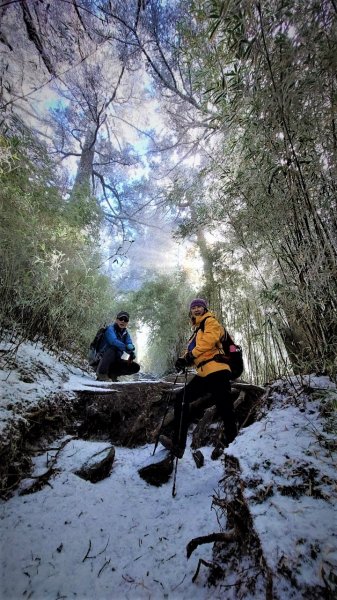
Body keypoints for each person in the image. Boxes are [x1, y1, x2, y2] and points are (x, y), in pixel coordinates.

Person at [159, 299, 237, 458]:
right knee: (182, 398)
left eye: (199, 306)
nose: (196, 309)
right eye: (193, 307)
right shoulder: (196, 331)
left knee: (225, 408)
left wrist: (190, 355)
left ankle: (235, 447)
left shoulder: (211, 321)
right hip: (203, 373)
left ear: (204, 308)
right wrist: (182, 361)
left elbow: (209, 342)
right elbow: (193, 352)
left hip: (217, 370)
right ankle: (178, 444)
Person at [95, 311, 140, 382]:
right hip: (101, 360)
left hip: (115, 360)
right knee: (113, 349)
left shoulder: (126, 334)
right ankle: (101, 374)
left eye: (125, 320)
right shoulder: (110, 329)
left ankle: (112, 375)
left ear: (127, 323)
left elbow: (129, 343)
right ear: (116, 320)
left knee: (135, 367)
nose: (123, 321)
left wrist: (131, 351)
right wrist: (127, 349)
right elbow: (113, 341)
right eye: (121, 318)